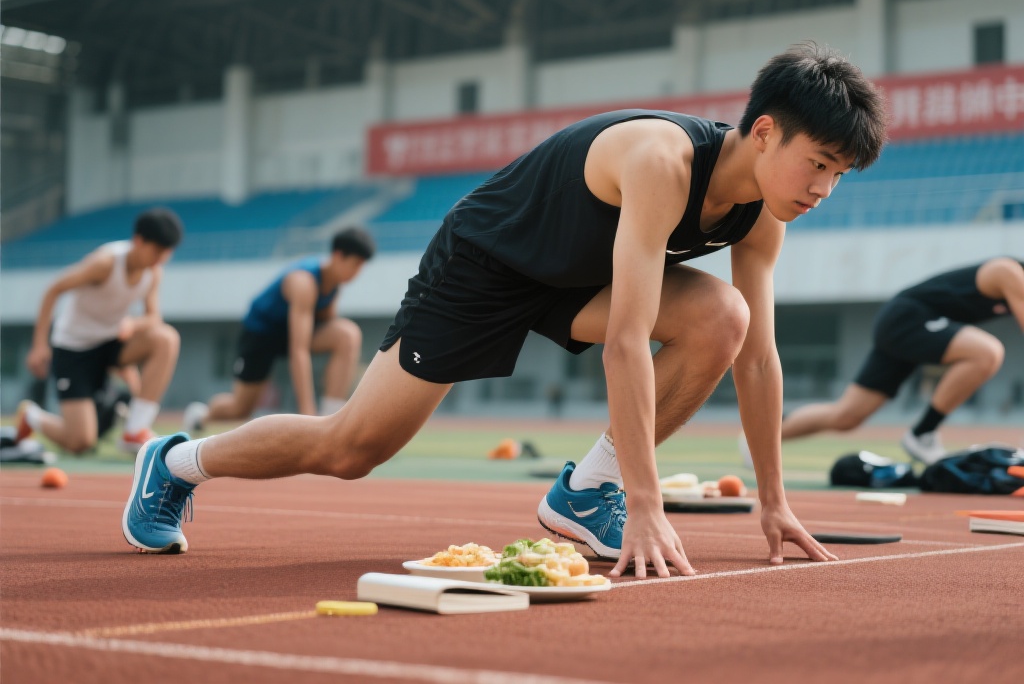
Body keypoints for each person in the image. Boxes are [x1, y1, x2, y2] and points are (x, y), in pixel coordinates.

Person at [123, 43, 885, 578]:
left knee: (724, 319)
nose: (823, 188)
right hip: (486, 264)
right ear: (763, 131)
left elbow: (758, 359)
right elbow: (626, 342)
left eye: (840, 174)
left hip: (571, 280)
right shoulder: (663, 162)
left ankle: (585, 493)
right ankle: (177, 461)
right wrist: (649, 505)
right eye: (817, 163)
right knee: (352, 449)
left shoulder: (763, 217)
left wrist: (776, 501)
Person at [779, 258, 1024, 464]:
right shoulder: (1009, 272)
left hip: (914, 327)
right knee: (987, 353)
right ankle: (923, 433)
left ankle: (764, 436)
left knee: (847, 416)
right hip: (908, 317)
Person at [18, 208, 183, 455]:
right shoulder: (105, 264)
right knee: (81, 441)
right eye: (158, 251)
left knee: (166, 338)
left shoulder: (153, 272)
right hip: (75, 349)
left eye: (167, 253)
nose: (161, 259)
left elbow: (152, 317)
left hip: (111, 342)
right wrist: (40, 345)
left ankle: (134, 431)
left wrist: (132, 325)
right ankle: (31, 416)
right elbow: (53, 289)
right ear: (139, 241)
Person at [182, 227, 376, 433]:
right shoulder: (304, 282)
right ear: (338, 256)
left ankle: (334, 421)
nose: (357, 273)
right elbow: (298, 350)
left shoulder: (333, 287)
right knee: (240, 409)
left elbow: (328, 328)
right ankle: (201, 415)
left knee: (347, 334)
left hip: (289, 335)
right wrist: (308, 416)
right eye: (355, 265)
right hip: (261, 335)